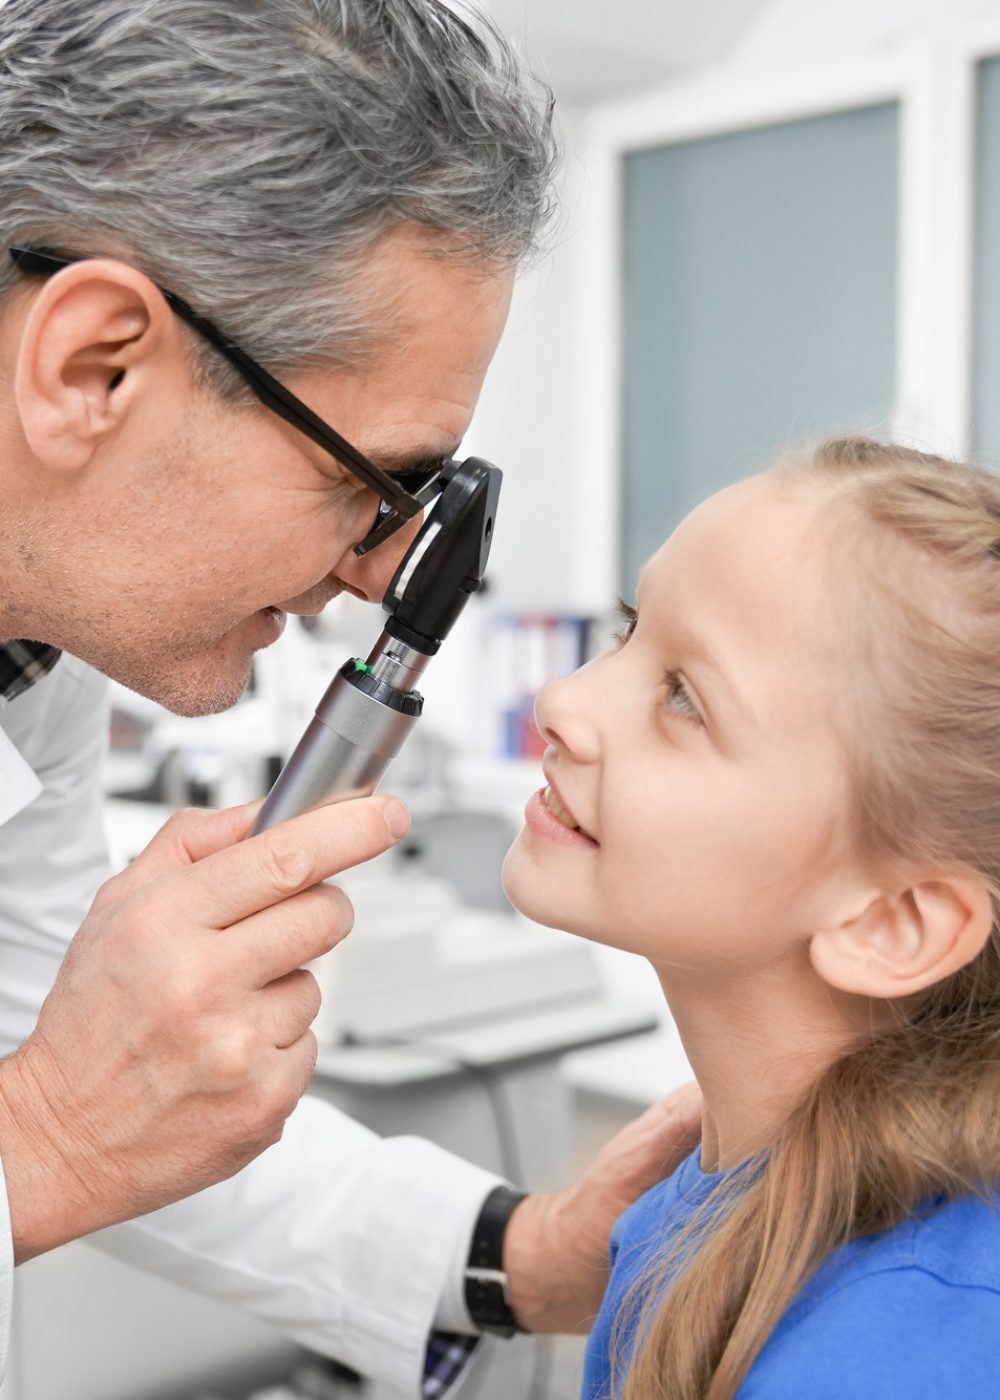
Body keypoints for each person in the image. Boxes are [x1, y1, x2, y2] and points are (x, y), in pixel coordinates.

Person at [0, 0, 703, 1392]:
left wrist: (533, 1249)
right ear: (95, 369)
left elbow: (67, 1055)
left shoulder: (38, 659)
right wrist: (47, 1142)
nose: (381, 575)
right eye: (369, 483)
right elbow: (59, 1104)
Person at [502, 436, 1000, 1399]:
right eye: (630, 628)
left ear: (893, 921)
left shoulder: (900, 1354)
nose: (562, 700)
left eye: (685, 698)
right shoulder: (695, 1205)